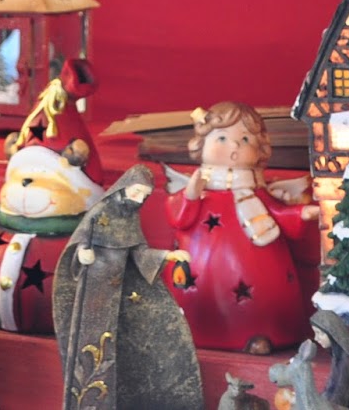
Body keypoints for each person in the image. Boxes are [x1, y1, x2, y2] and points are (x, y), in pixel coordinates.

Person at [167, 101, 319, 353]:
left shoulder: (257, 195)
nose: (235, 145)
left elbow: (277, 213)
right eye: (222, 138)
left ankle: (259, 335)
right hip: (200, 277)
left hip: (257, 271)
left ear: (260, 150)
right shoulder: (199, 190)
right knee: (192, 294)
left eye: (246, 139)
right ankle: (191, 331)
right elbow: (179, 219)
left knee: (263, 298)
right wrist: (190, 196)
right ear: (201, 144)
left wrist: (302, 213)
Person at [53, 166, 201, 410]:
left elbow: (139, 253)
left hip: (119, 289)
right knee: (92, 347)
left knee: (117, 345)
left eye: (145, 196)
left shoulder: (131, 218)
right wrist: (82, 254)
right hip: (93, 291)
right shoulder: (100, 212)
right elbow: (80, 243)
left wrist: (168, 256)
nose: (139, 199)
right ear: (124, 187)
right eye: (137, 192)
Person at [309, 309, 349, 410]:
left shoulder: (347, 360)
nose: (316, 338)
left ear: (331, 332)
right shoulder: (338, 352)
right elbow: (332, 386)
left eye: (319, 333)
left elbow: (340, 399)